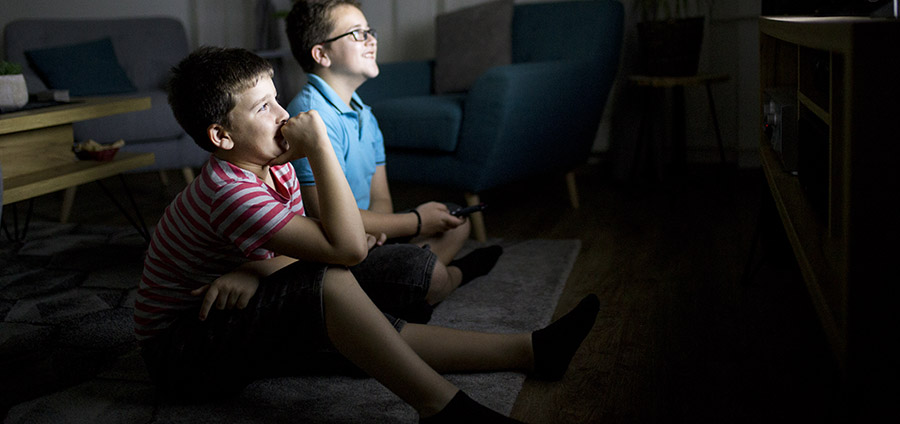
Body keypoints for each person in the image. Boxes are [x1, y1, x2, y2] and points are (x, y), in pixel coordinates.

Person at [133, 46, 599, 422]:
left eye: (277, 97)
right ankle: (440, 407)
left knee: (360, 331)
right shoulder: (229, 190)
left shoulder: (271, 169)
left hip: (221, 318)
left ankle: (530, 351)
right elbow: (348, 249)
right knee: (333, 286)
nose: (281, 113)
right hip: (181, 353)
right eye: (262, 107)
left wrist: (253, 274)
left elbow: (322, 249)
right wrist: (317, 148)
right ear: (221, 137)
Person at [283, 0, 502, 320]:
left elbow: (380, 198)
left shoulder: (365, 115)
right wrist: (415, 221)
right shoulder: (309, 117)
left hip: (369, 238)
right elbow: (322, 218)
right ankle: (454, 276)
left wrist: (383, 233)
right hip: (335, 248)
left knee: (455, 221)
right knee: (431, 272)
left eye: (370, 31)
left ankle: (406, 288)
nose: (372, 40)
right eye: (357, 34)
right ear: (321, 55)